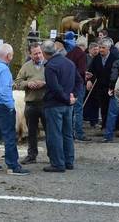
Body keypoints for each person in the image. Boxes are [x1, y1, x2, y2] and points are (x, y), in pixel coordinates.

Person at [0, 43, 30, 175]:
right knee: (9, 136)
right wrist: (10, 106)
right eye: (12, 55)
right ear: (8, 56)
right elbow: (4, 91)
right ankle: (12, 166)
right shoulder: (4, 70)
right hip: (3, 106)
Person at [42, 40, 82, 172]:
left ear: (44, 53)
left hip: (55, 104)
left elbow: (54, 88)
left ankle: (58, 163)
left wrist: (66, 98)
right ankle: (68, 161)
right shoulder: (69, 63)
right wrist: (73, 97)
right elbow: (79, 81)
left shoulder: (50, 66)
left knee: (55, 134)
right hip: (68, 104)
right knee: (67, 134)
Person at [14, 42, 46, 165]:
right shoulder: (26, 66)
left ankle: (53, 155)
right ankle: (31, 155)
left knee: (50, 130)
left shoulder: (49, 64)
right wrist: (28, 84)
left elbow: (56, 79)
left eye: (39, 52)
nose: (38, 56)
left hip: (45, 103)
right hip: (31, 104)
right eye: (35, 54)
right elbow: (17, 82)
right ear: (30, 54)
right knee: (31, 131)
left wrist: (44, 83)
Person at [87, 38, 118, 131]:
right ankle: (104, 126)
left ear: (108, 48)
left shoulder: (114, 58)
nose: (101, 50)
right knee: (103, 108)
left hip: (111, 87)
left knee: (111, 109)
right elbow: (91, 71)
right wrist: (89, 80)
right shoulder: (96, 58)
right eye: (100, 47)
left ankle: (112, 128)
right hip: (100, 87)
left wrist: (114, 87)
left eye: (103, 48)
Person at [102, 42, 119, 143]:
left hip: (117, 92)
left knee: (112, 114)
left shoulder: (117, 63)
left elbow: (113, 77)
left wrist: (111, 88)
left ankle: (108, 136)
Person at [66, 34, 88, 141]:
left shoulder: (69, 53)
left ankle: (68, 132)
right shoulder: (82, 55)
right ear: (85, 45)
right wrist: (85, 76)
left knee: (70, 108)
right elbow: (81, 70)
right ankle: (79, 133)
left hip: (68, 84)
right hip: (78, 85)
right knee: (78, 109)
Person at [83, 42, 100, 128]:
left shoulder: (98, 58)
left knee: (94, 102)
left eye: (97, 49)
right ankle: (85, 117)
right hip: (86, 83)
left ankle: (94, 120)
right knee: (85, 100)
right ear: (90, 49)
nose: (96, 51)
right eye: (94, 49)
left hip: (96, 83)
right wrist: (87, 81)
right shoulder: (85, 58)